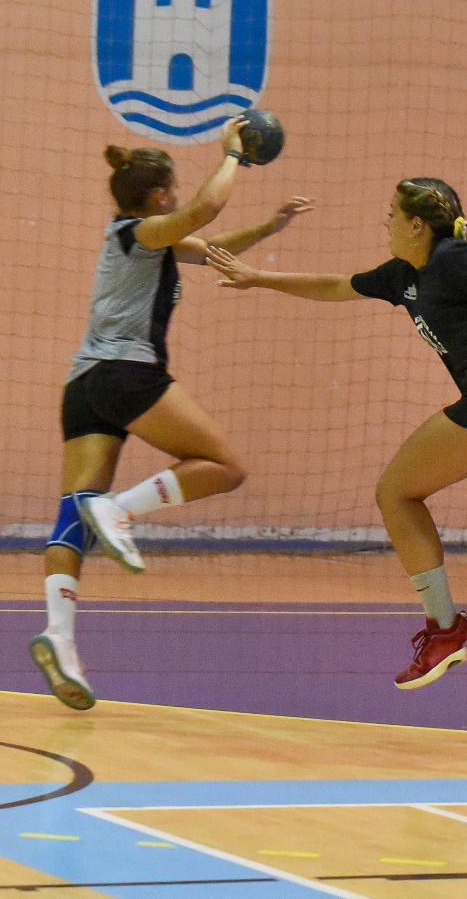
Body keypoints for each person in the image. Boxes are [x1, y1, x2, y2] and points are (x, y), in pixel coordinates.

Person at [205, 177, 467, 747]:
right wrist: (260, 279)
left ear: (416, 225)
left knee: (396, 492)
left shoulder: (460, 259)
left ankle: (447, 629)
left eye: (390, 215)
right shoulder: (404, 274)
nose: (384, 222)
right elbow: (335, 286)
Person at [32, 117, 316, 710]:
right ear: (159, 195)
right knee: (224, 465)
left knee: (72, 514)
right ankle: (121, 511)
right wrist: (234, 155)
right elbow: (207, 209)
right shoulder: (141, 233)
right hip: (125, 373)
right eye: (175, 188)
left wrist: (271, 225)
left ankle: (59, 636)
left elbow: (212, 249)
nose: (182, 194)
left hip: (83, 383)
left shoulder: (140, 238)